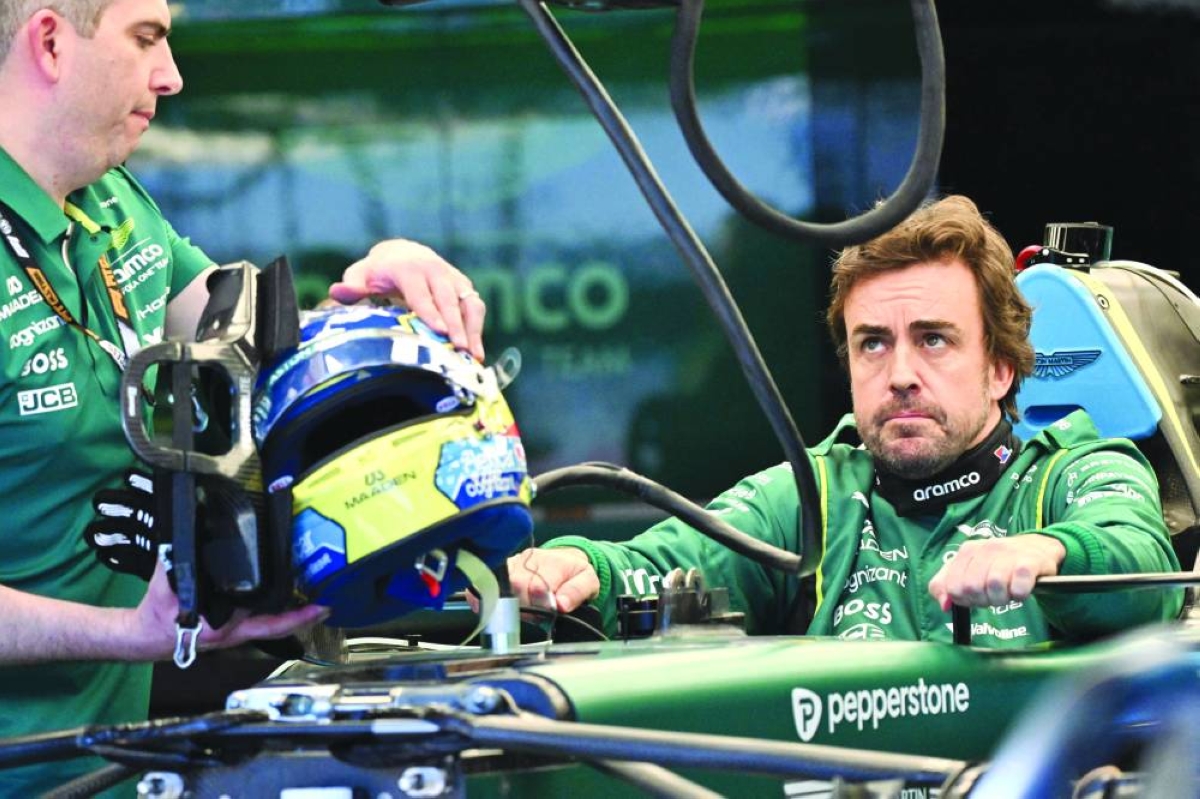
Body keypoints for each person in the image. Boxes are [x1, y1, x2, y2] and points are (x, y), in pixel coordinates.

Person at [0, 0, 482, 793]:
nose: (172, 74)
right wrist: (134, 632)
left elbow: (256, 347)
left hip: (115, 769)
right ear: (51, 42)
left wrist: (376, 289)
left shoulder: (111, 203)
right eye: (147, 38)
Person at [502, 195, 1184, 642]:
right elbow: (663, 562)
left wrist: (1042, 554)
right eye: (873, 343)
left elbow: (1140, 568)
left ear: (1001, 368)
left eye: (934, 338)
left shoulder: (1078, 470)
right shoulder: (813, 496)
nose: (901, 373)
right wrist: (580, 567)